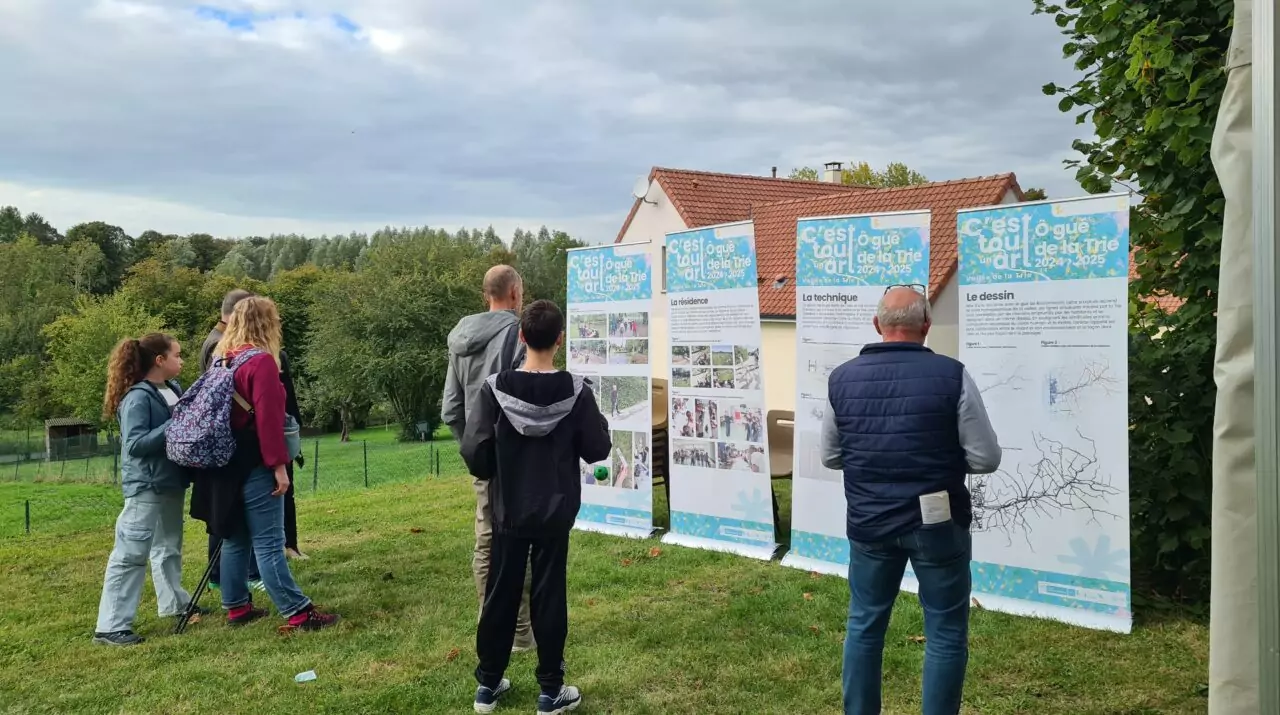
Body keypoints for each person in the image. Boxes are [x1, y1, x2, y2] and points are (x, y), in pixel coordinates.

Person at [820, 286, 1001, 715]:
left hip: (869, 522)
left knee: (864, 625)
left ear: (877, 325)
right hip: (937, 524)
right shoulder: (953, 375)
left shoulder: (841, 379)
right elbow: (985, 458)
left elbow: (830, 456)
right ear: (926, 326)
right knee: (946, 631)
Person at [461, 299, 611, 714]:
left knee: (500, 593)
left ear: (521, 336)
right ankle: (550, 690)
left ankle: (488, 684)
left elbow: (473, 450)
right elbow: (597, 448)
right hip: (554, 512)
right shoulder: (577, 392)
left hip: (508, 510)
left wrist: (496, 471)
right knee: (549, 595)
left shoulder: (494, 389)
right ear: (559, 339)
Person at [189, 297, 339, 632]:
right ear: (267, 324)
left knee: (236, 538)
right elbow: (269, 422)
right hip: (254, 459)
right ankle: (298, 612)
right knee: (270, 541)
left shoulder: (222, 359)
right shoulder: (261, 363)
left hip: (224, 463)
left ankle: (237, 607)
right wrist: (279, 467)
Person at [442, 265, 536, 652]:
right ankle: (520, 631)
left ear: (486, 295)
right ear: (514, 293)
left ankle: (489, 621)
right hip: (516, 456)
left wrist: (473, 448)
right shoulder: (518, 334)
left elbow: (451, 408)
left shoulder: (460, 339)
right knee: (520, 540)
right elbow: (527, 400)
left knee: (485, 539)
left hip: (481, 457)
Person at [93, 334, 201, 646]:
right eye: (177, 355)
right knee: (131, 553)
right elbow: (136, 444)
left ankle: (174, 603)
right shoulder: (137, 397)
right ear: (159, 360)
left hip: (171, 481)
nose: (181, 360)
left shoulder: (172, 389)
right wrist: (175, 423)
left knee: (168, 548)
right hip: (146, 485)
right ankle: (111, 626)